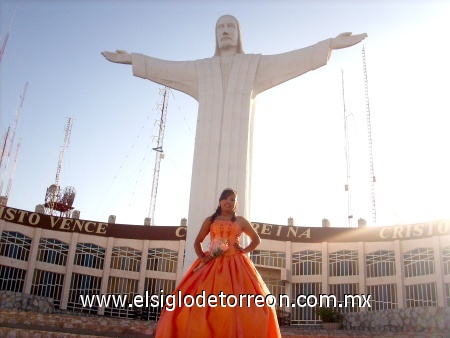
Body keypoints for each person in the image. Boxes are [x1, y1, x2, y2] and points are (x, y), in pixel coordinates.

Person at [102, 15, 367, 271]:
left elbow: (290, 60)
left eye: (231, 26)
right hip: (205, 155)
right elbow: (166, 67)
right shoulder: (200, 69)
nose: (225, 30)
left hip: (239, 153)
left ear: (239, 34)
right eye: (220, 27)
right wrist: (134, 60)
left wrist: (328, 45)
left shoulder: (253, 65)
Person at [154, 188, 281, 337]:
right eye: (226, 199)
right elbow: (197, 242)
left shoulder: (241, 221)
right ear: (220, 201)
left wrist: (244, 250)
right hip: (211, 264)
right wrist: (202, 258)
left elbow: (256, 239)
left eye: (232, 199)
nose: (229, 202)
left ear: (236, 203)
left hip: (237, 265)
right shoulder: (210, 220)